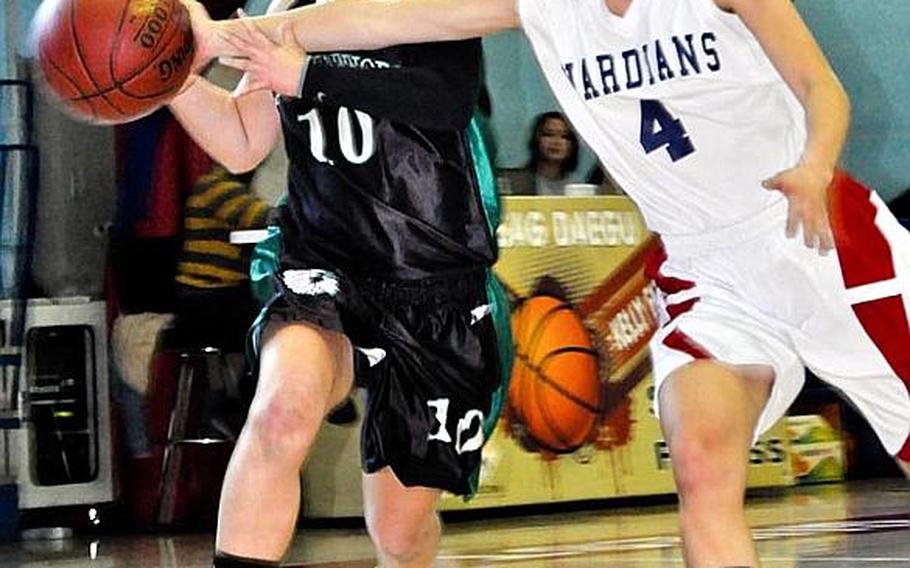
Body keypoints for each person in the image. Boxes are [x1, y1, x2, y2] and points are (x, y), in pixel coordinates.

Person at [188, 0, 910, 566]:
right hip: (705, 275)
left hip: (819, 240)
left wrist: (816, 162)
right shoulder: (545, 4)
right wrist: (208, 40)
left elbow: (822, 85)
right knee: (698, 467)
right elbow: (373, 17)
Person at [172, 1, 510, 567]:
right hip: (325, 262)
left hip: (435, 283)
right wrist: (167, 78)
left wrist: (308, 75)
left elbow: (446, 99)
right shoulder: (286, 7)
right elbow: (242, 140)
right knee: (282, 412)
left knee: (399, 534)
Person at [500, 111, 578, 196]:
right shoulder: (517, 183)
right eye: (548, 134)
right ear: (537, 139)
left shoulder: (577, 187)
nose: (556, 142)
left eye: (564, 136)